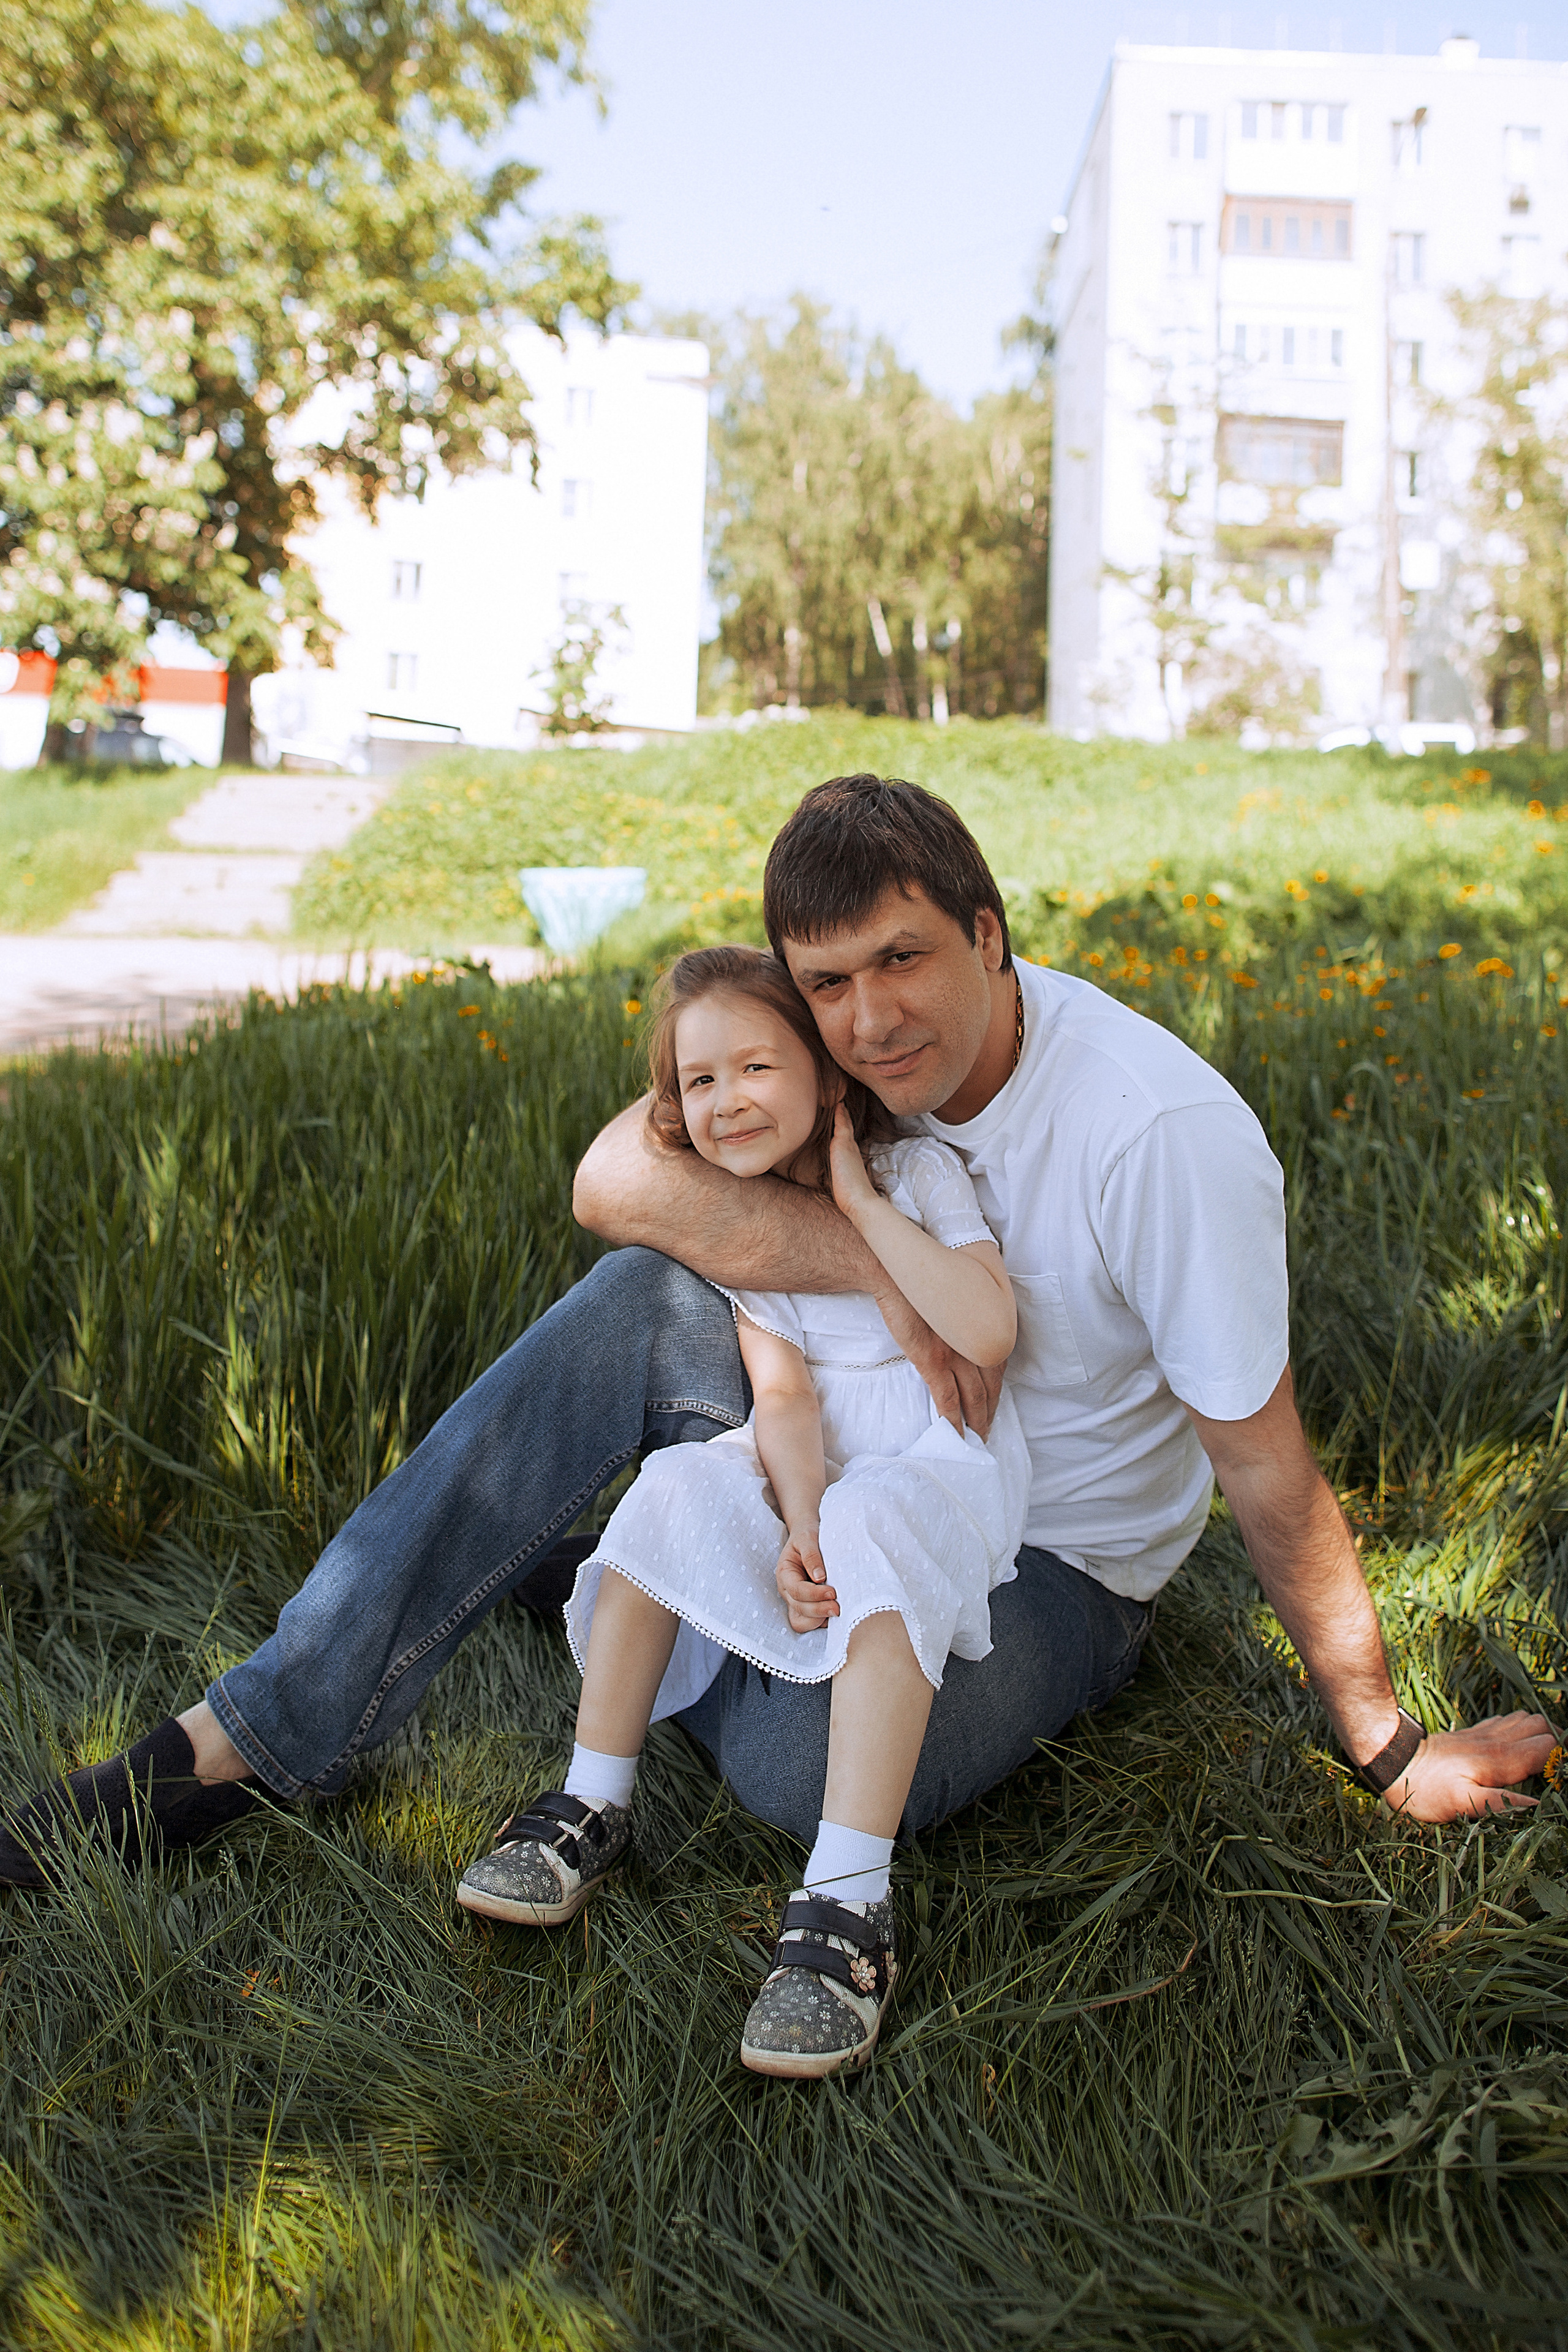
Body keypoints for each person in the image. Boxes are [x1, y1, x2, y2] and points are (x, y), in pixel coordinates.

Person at [2, 775, 1554, 1931]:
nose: (869, 1024)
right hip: (855, 1435)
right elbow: (616, 1179)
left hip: (1051, 1559)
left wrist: (1385, 1743)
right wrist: (888, 1284)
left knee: (791, 1774)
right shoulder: (823, 1043)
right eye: (825, 984)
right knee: (635, 1296)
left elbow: (1265, 1470)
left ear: (990, 934)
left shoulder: (1153, 1135)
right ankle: (253, 1736)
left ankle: (616, 1583)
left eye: (902, 961)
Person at [456, 944, 1029, 2076]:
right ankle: (594, 1798)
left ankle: (850, 1895)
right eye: (698, 1083)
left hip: (936, 1464)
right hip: (828, 1464)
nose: (726, 1103)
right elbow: (784, 1397)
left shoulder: (915, 1178)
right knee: (676, 1483)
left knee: (872, 1525)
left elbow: (988, 1330)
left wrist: (862, 1204)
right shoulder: (748, 1229)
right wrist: (799, 1520)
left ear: (823, 1072)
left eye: (756, 1066)